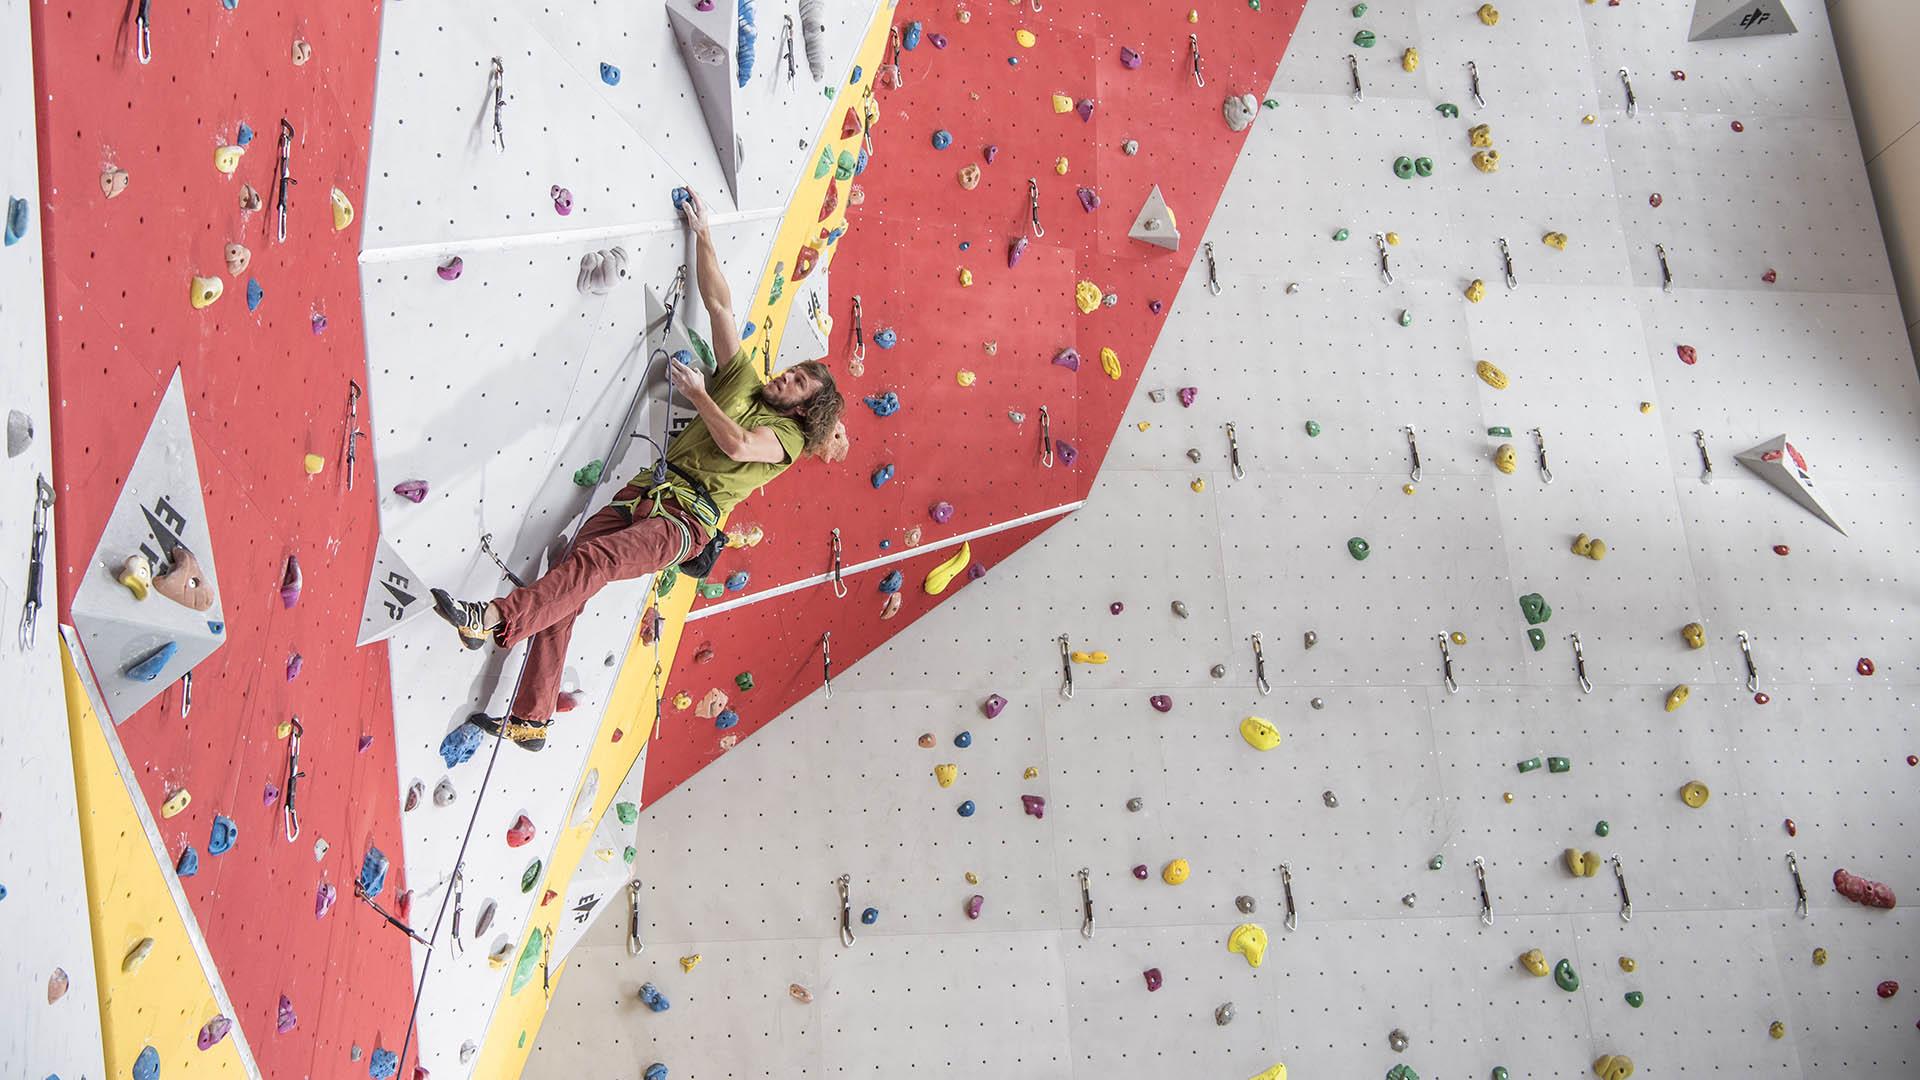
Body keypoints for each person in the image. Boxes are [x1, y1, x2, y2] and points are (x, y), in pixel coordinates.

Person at [431, 191, 848, 751]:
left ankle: (495, 618)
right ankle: (532, 717)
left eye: (797, 384)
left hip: (685, 522)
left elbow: (742, 444)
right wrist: (702, 235)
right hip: (646, 493)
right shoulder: (746, 382)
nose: (786, 378)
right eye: (793, 371)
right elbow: (721, 307)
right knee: (570, 568)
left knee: (597, 560)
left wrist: (700, 395)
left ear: (804, 410)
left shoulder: (790, 439)